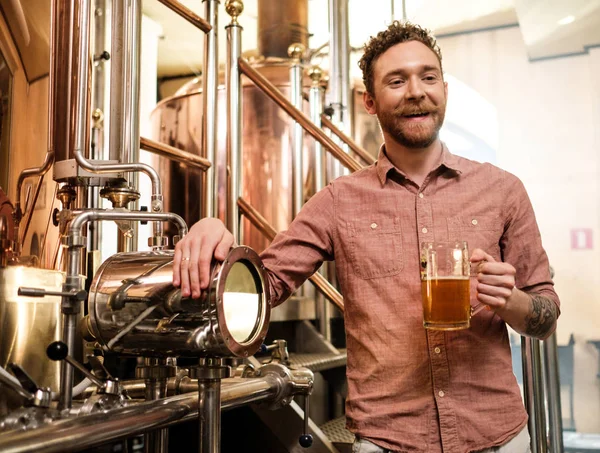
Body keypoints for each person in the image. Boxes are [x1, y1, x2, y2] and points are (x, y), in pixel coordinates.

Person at [173, 21, 559, 453]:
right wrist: (217, 238)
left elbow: (545, 315)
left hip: (498, 438)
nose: (416, 91)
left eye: (428, 77)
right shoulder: (338, 200)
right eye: (397, 81)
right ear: (369, 102)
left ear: (444, 91)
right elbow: (267, 285)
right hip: (387, 441)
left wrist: (513, 303)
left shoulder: (503, 189)